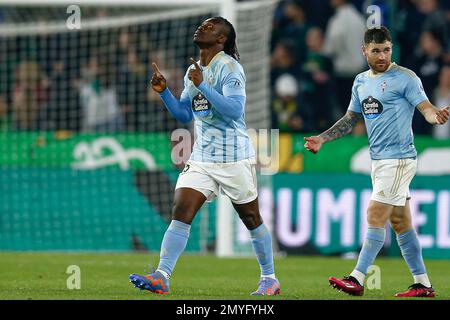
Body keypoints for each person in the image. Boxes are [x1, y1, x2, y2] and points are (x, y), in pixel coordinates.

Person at [129, 17, 280, 296]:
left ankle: (269, 278)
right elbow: (185, 113)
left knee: (251, 218)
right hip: (202, 158)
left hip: (234, 157)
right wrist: (164, 93)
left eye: (209, 27)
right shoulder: (193, 70)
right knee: (181, 211)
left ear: (221, 39)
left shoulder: (231, 68)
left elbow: (235, 111)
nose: (201, 27)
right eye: (202, 25)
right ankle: (162, 275)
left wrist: (204, 86)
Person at [304, 26, 449, 298]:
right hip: (379, 161)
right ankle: (423, 284)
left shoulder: (406, 78)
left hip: (399, 159)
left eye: (386, 50)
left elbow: (426, 108)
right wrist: (323, 139)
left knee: (374, 214)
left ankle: (357, 278)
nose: (382, 56)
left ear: (391, 48)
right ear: (364, 51)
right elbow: (350, 119)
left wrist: (435, 116)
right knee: (401, 222)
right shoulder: (360, 82)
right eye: (376, 51)